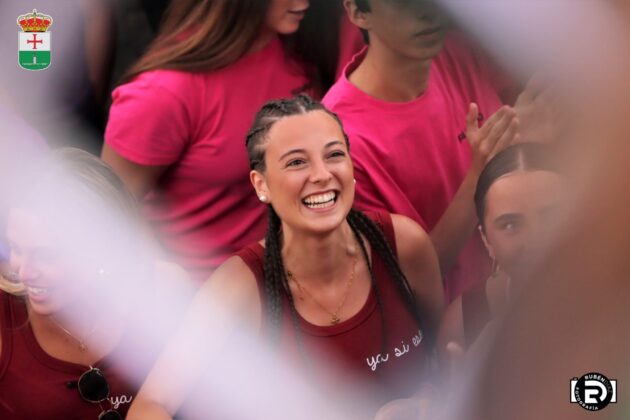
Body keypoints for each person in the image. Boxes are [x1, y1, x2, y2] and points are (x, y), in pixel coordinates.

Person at [127, 95, 445, 419]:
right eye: (296, 162)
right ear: (260, 184)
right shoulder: (240, 285)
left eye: (334, 155)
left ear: (351, 168)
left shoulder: (403, 245)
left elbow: (444, 358)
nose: (321, 175)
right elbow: (151, 405)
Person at [102, 0, 315, 283]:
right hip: (202, 301)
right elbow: (105, 208)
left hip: (290, 285)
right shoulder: (163, 92)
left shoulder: (298, 46)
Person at [323, 0, 520, 301]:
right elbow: (404, 282)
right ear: (358, 12)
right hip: (452, 328)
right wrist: (480, 176)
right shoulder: (338, 141)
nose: (428, 13)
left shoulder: (457, 53)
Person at [0, 148, 192, 419]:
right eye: (15, 249)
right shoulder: (5, 317)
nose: (23, 270)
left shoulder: (164, 290)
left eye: (46, 255)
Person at [437, 143, 563, 357]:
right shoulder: (465, 323)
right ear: (486, 240)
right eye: (510, 225)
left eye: (552, 217)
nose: (536, 240)